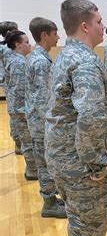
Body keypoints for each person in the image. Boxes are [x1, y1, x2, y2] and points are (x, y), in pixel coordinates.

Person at [44, 0, 107, 236]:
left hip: (62, 153)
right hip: (79, 159)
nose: (104, 25)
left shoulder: (67, 56)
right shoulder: (85, 62)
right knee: (91, 215)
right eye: (100, 21)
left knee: (80, 213)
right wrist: (94, 162)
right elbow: (89, 116)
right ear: (86, 25)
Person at [26, 17, 66, 218]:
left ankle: (50, 198)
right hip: (42, 124)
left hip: (37, 121)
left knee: (45, 162)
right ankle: (49, 203)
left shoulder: (36, 57)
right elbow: (44, 101)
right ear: (44, 35)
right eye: (55, 33)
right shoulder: (41, 61)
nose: (58, 37)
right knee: (45, 163)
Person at [3, 30, 38, 180]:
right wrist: (23, 111)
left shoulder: (17, 59)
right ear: (17, 45)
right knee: (28, 141)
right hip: (20, 109)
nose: (29, 45)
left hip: (19, 108)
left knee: (27, 140)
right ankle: (32, 171)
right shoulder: (18, 62)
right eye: (26, 42)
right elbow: (19, 90)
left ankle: (33, 168)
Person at [0, 21, 22, 154]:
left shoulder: (13, 47)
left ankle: (21, 141)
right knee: (15, 113)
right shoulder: (5, 50)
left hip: (18, 83)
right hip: (11, 85)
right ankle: (18, 142)